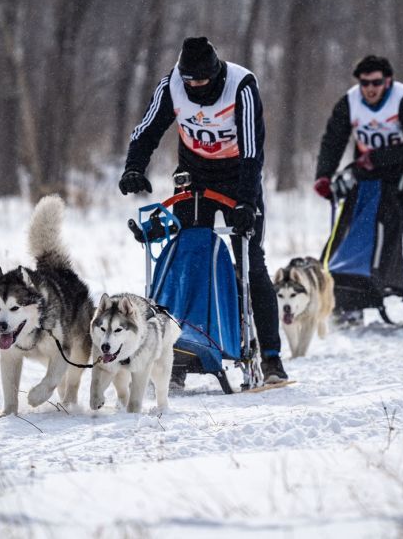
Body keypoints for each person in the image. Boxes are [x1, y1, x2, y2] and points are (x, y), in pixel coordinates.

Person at [118, 36, 288, 384]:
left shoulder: (241, 86)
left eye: (201, 80)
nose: (194, 86)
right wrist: (133, 167)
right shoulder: (172, 86)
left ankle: (271, 358)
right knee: (187, 258)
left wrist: (246, 202)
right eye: (188, 80)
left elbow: (254, 152)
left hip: (238, 176)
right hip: (194, 175)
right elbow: (146, 130)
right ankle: (178, 353)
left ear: (215, 74)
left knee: (250, 263)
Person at [313, 55, 403, 318]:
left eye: (376, 82)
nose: (370, 89)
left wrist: (378, 157)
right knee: (352, 231)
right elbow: (333, 139)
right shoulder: (350, 102)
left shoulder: (402, 100)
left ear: (388, 81)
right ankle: (350, 295)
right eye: (364, 83)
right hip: (368, 179)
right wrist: (324, 175)